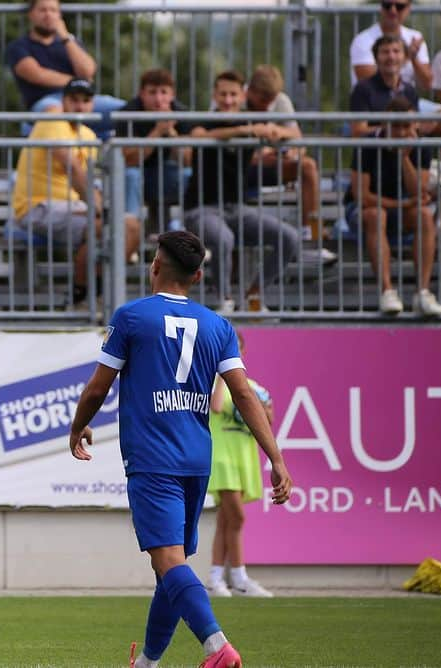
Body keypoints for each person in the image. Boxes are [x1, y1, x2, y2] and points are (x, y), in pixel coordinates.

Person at [67, 230, 293, 668]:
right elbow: (244, 396)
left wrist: (77, 428)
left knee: (169, 561)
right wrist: (277, 457)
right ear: (199, 275)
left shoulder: (132, 318)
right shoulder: (219, 326)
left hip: (153, 458)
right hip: (196, 458)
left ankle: (216, 647)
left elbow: (98, 388)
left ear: (154, 266)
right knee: (169, 568)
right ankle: (147, 663)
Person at [13, 79, 137, 310]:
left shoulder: (88, 134)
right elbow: (73, 169)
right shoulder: (52, 120)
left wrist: (101, 208)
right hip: (36, 206)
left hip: (71, 207)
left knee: (132, 226)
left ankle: (93, 292)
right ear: (64, 102)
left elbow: (88, 180)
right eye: (74, 100)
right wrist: (100, 208)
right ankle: (80, 297)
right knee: (104, 228)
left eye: (86, 101)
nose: (80, 107)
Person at [184, 70, 300, 314]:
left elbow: (293, 135)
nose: (228, 100)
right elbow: (199, 136)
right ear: (215, 96)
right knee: (224, 238)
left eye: (233, 95)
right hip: (201, 209)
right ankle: (224, 301)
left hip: (236, 209)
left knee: (289, 237)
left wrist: (276, 132)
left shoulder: (251, 120)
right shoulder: (204, 119)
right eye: (223, 94)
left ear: (242, 96)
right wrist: (243, 132)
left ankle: (254, 295)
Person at [344, 95, 441, 318]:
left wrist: (404, 157)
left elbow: (418, 192)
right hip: (363, 209)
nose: (401, 132)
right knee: (376, 215)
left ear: (415, 126)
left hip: (402, 206)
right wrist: (403, 203)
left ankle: (423, 293)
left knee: (424, 216)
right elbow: (362, 196)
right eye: (396, 126)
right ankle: (387, 292)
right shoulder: (367, 144)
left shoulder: (420, 147)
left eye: (406, 126)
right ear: (384, 125)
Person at [205, 331, 274, 598]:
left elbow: (268, 418)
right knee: (237, 517)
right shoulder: (213, 382)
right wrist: (223, 376)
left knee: (226, 520)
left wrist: (264, 407)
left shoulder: (253, 387)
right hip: (222, 458)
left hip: (244, 456)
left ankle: (215, 578)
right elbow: (217, 406)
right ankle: (239, 577)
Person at [4, 0, 124, 139]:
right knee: (54, 114)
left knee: (129, 111)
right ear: (31, 14)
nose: (48, 15)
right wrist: (77, 81)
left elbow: (88, 71)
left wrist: (65, 37)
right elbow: (37, 75)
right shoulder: (19, 47)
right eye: (43, 10)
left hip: (84, 99)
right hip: (47, 101)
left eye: (53, 10)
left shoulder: (70, 43)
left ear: (59, 15)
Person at [243, 65, 324, 242]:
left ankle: (310, 234)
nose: (267, 106)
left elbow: (298, 141)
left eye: (271, 100)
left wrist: (285, 142)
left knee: (308, 166)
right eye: (263, 100)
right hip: (238, 169)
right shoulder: (231, 98)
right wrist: (256, 157)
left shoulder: (281, 101)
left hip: (271, 165)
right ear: (250, 91)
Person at [116, 68, 192, 233]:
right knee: (131, 175)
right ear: (142, 94)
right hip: (139, 177)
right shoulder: (127, 113)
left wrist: (171, 132)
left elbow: (187, 160)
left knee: (188, 175)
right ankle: (131, 233)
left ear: (173, 94)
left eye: (164, 92)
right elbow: (130, 160)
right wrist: (157, 132)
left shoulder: (182, 113)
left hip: (167, 174)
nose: (158, 99)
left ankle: (190, 233)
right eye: (152, 92)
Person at [349, 0, 431, 91]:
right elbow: (367, 80)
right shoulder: (363, 40)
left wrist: (414, 58)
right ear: (381, 7)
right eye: (387, 5)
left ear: (408, 8)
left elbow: (427, 84)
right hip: (373, 101)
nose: (393, 10)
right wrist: (405, 57)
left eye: (399, 6)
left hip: (406, 99)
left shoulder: (415, 38)